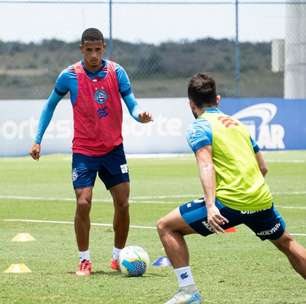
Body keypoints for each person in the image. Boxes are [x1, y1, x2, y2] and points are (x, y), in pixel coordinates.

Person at [157, 73, 306, 304]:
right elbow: (263, 167)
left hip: (229, 203)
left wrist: (210, 207)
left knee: (166, 226)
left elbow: (205, 164)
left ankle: (188, 292)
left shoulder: (199, 127)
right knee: (286, 243)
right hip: (261, 199)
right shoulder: (238, 124)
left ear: (190, 104)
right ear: (218, 99)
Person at [30, 28, 153, 276]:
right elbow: (49, 106)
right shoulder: (69, 75)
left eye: (98, 50)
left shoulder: (117, 72)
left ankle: (117, 257)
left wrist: (140, 116)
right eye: (89, 50)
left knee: (123, 203)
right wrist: (37, 139)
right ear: (82, 49)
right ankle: (84, 260)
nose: (94, 55)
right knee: (83, 202)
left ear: (104, 48)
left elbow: (131, 103)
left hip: (113, 150)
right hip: (84, 151)